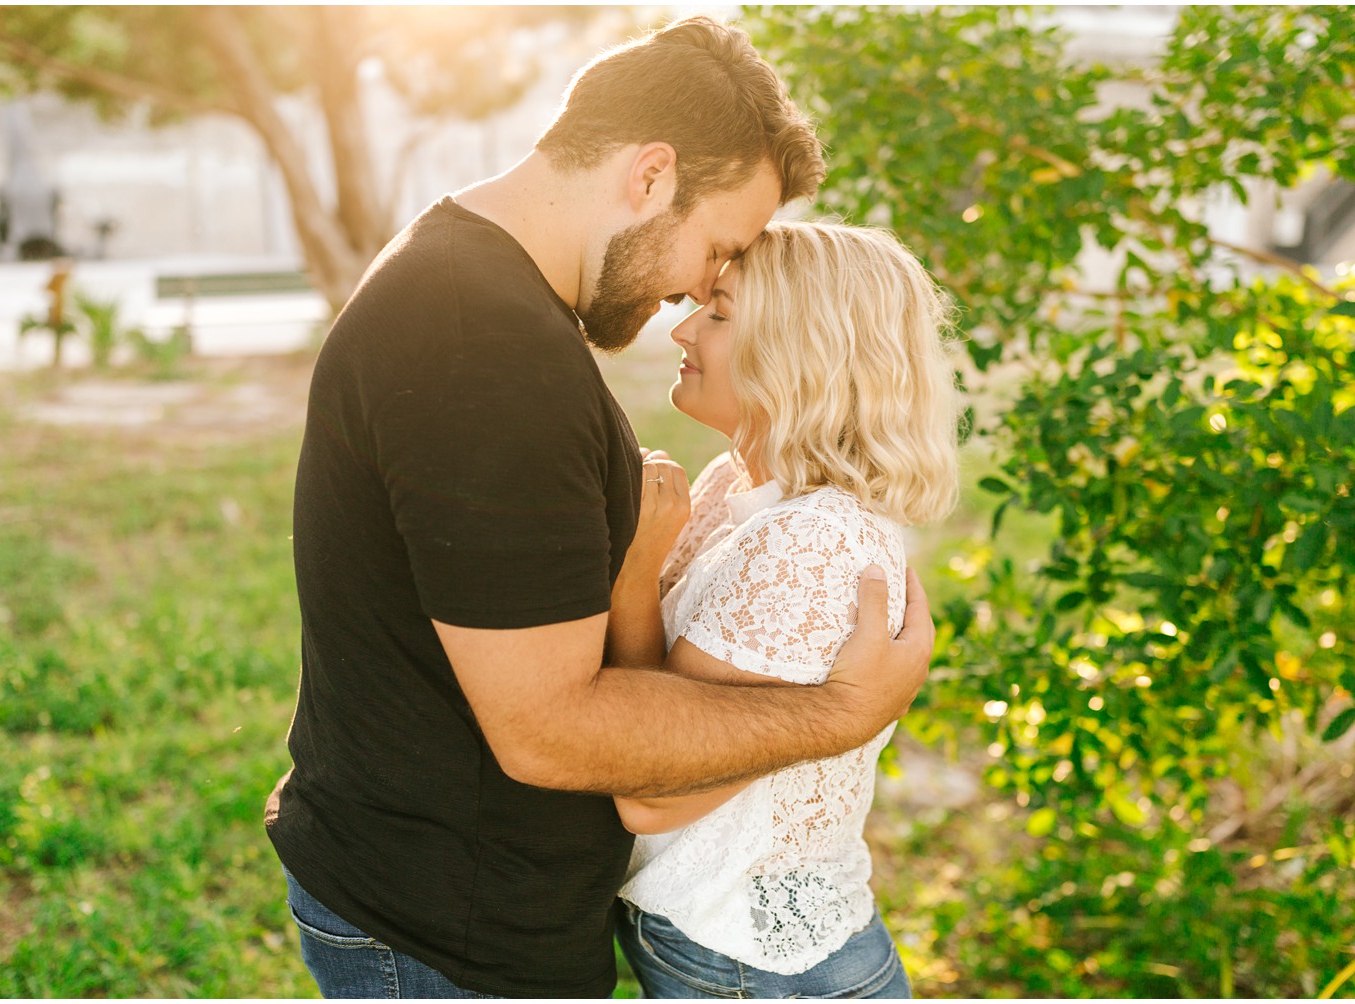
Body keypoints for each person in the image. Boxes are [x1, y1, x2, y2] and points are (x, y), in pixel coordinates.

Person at [264, 16, 935, 999]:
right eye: (719, 249)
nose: (698, 291)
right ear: (649, 174)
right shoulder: (480, 343)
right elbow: (549, 730)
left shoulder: (475, 284)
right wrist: (839, 709)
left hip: (461, 897)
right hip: (450, 926)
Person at [606, 221, 963, 998]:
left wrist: (633, 575)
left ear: (804, 355)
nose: (683, 325)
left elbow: (650, 790)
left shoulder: (813, 546)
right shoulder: (734, 487)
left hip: (757, 967)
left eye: (721, 314)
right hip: (710, 943)